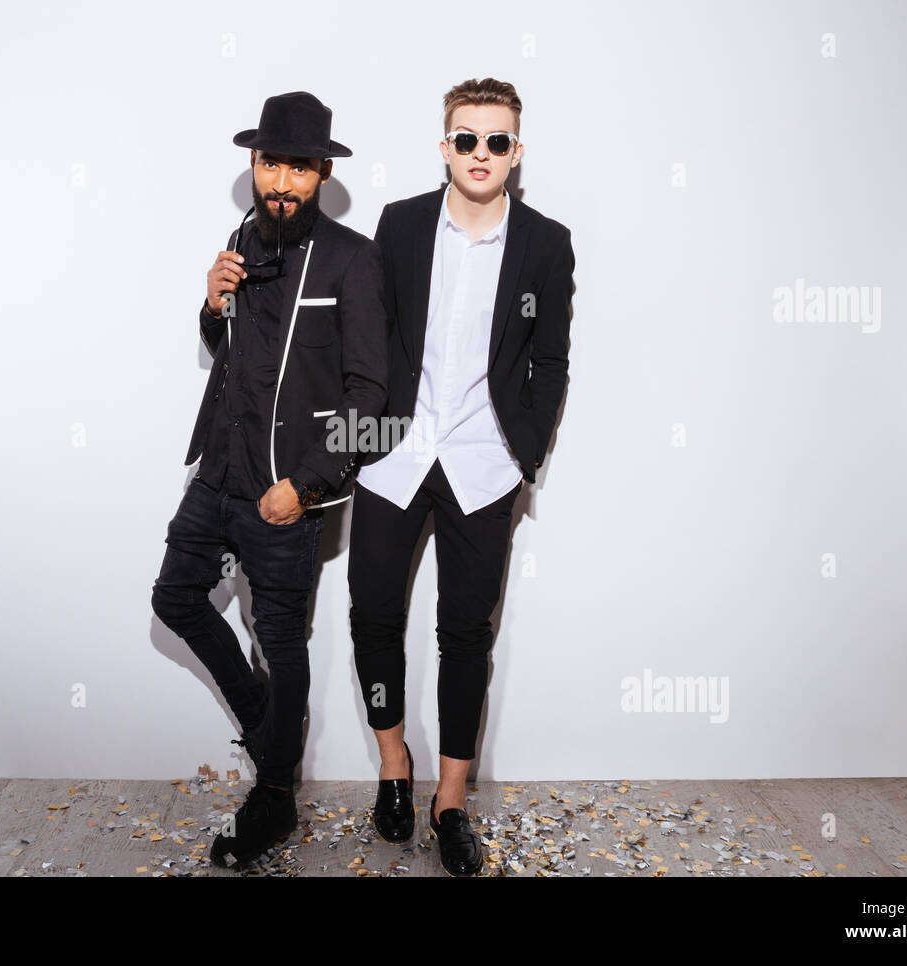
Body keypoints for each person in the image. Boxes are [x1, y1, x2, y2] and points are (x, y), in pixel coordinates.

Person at [151, 91, 387, 868]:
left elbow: (371, 398)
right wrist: (212, 305)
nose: (281, 181)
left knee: (280, 642)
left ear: (322, 172)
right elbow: (233, 354)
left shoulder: (353, 259)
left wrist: (309, 487)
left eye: (298, 167)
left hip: (284, 494)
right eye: (269, 164)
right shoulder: (240, 237)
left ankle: (275, 797)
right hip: (216, 473)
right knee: (176, 597)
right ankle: (270, 736)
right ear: (253, 166)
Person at [348, 77, 575, 876]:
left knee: (464, 635)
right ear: (444, 145)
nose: (482, 153)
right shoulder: (401, 225)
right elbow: (369, 337)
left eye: (499, 141)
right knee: (371, 612)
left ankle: (450, 800)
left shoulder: (546, 244)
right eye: (468, 138)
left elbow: (551, 361)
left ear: (518, 152)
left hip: (484, 465)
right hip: (393, 454)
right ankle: (392, 763)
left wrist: (525, 456)